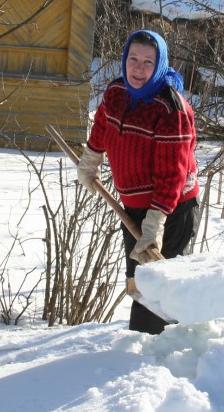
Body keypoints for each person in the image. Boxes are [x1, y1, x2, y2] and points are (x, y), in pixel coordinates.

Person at [77, 29, 199, 334]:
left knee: (157, 290)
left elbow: (173, 174)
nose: (138, 69)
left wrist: (154, 222)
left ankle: (156, 357)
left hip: (171, 210)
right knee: (139, 283)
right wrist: (91, 160)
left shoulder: (172, 110)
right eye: (133, 59)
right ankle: (148, 351)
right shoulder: (116, 93)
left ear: (159, 64)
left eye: (148, 62)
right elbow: (103, 123)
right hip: (134, 209)